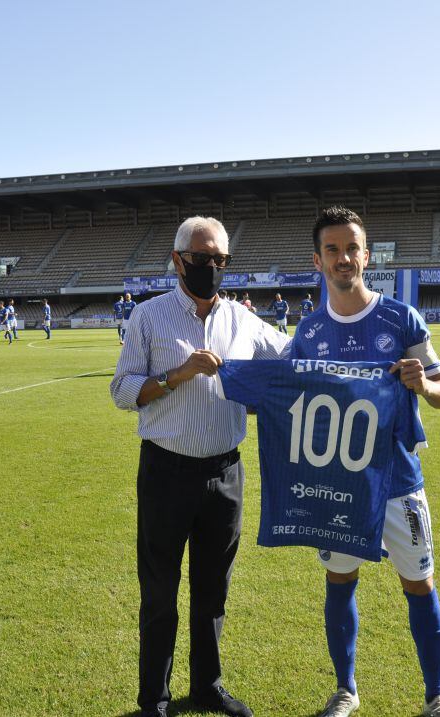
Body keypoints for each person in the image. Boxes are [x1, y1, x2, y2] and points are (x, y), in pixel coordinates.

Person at [110, 216, 290, 717]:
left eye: (220, 260)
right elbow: (123, 391)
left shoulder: (243, 320)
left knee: (213, 590)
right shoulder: (148, 318)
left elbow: (291, 359)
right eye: (201, 258)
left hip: (225, 474)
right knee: (160, 593)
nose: (211, 268)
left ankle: (207, 686)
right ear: (177, 260)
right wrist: (178, 375)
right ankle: (155, 699)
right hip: (166, 472)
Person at [290, 206, 440, 717]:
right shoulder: (310, 332)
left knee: (419, 584)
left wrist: (423, 383)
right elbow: (289, 396)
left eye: (352, 248)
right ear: (318, 261)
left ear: (367, 254)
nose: (344, 258)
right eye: (333, 250)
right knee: (339, 582)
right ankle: (346, 691)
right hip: (338, 485)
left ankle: (435, 697)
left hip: (399, 481)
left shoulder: (400, 319)